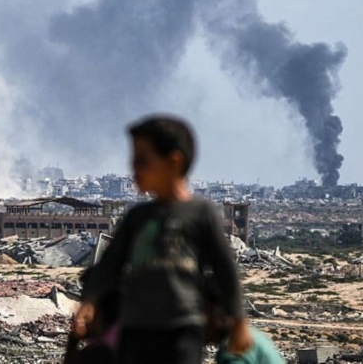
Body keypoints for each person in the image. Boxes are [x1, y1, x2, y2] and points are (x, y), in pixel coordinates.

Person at [71, 115, 253, 364]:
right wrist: (89, 302)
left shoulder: (201, 214)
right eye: (133, 160)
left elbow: (225, 269)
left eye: (142, 160)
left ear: (174, 161)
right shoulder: (137, 217)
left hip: (183, 327)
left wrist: (238, 320)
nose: (134, 169)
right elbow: (110, 264)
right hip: (136, 327)